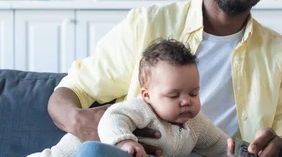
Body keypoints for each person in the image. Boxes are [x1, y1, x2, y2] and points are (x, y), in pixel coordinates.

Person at [35, 0, 282, 156]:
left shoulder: (279, 52)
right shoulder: (147, 23)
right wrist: (81, 121)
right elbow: (70, 92)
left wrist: (278, 148)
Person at [97, 38, 229, 157]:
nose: (186, 101)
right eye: (173, 95)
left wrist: (244, 150)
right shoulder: (141, 109)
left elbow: (222, 145)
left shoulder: (196, 124)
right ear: (147, 95)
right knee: (92, 150)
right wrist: (125, 142)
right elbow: (112, 118)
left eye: (193, 93)